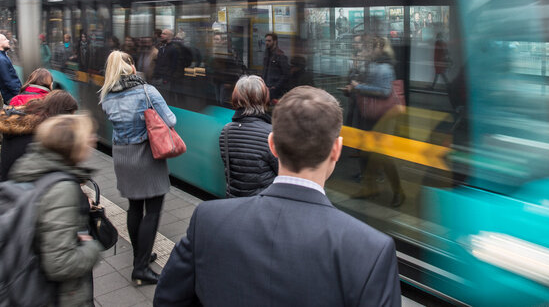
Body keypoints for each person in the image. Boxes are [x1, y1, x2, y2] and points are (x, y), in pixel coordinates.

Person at [155, 86, 402, 306]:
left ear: (272, 144)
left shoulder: (208, 220)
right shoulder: (372, 250)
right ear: (336, 149)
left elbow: (167, 299)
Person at [8, 115, 103, 306]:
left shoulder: (33, 168)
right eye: (88, 137)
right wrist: (92, 248)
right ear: (73, 146)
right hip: (57, 296)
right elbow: (59, 263)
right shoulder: (61, 187)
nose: (94, 140)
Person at [100, 51, 175, 286]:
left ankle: (140, 256)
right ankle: (140, 268)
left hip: (122, 155)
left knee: (134, 208)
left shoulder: (107, 95)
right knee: (152, 211)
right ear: (131, 67)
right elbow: (170, 121)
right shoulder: (146, 91)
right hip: (146, 155)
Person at [346, 37, 405, 207]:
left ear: (378, 49)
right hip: (369, 116)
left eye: (368, 49)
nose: (365, 52)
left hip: (382, 118)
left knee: (383, 156)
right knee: (366, 154)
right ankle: (369, 188)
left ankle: (398, 192)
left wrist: (358, 87)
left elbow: (385, 91)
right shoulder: (372, 65)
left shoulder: (384, 67)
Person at [0, 90, 78, 182]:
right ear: (61, 115)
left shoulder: (24, 126)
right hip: (24, 191)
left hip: (9, 187)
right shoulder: (40, 136)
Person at [218, 76, 277, 198]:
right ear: (263, 98)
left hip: (235, 202)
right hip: (262, 203)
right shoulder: (270, 133)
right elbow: (282, 172)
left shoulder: (226, 131)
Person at [0, 33, 22, 104]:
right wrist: (20, 95)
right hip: (13, 97)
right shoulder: (1, 60)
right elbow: (9, 81)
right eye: (4, 39)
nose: (8, 41)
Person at [261, 33, 290, 100]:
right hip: (266, 86)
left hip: (275, 88)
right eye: (266, 41)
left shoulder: (280, 55)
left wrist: (276, 86)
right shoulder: (266, 54)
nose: (266, 43)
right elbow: (265, 70)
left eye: (269, 41)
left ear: (275, 41)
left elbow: (286, 74)